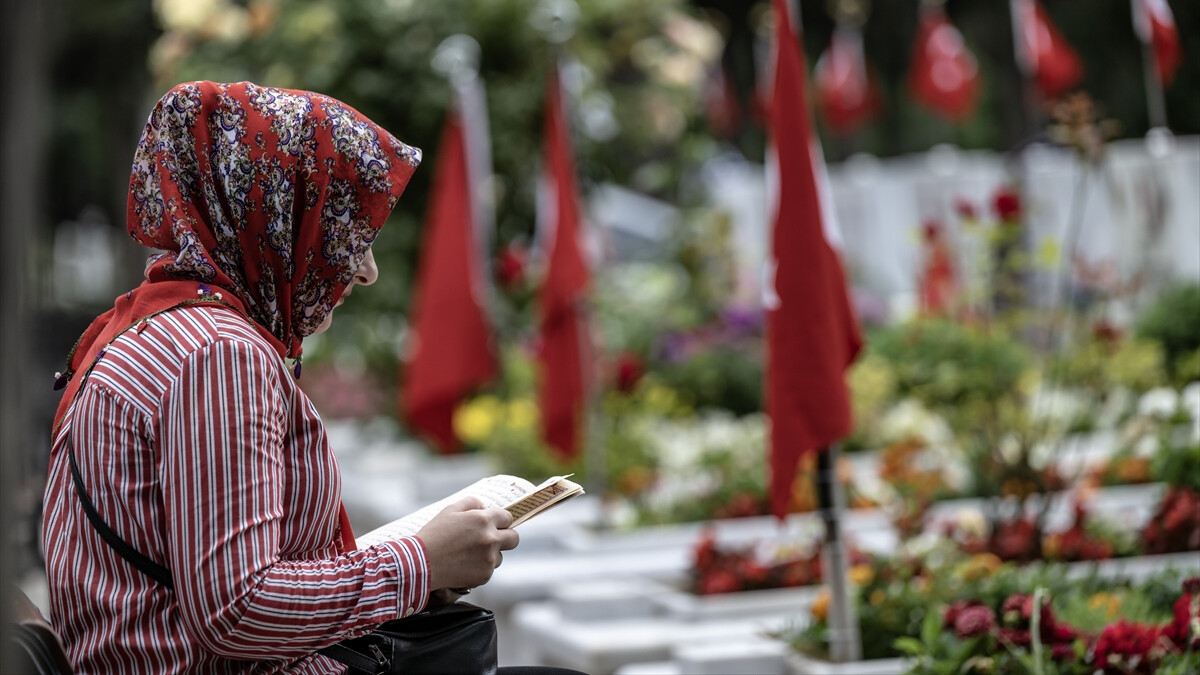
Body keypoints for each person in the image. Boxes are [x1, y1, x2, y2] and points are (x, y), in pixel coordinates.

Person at [41, 81, 570, 675]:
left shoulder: (153, 328)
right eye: (349, 234)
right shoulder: (219, 355)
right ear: (282, 221)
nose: (366, 271)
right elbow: (236, 610)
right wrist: (421, 562)